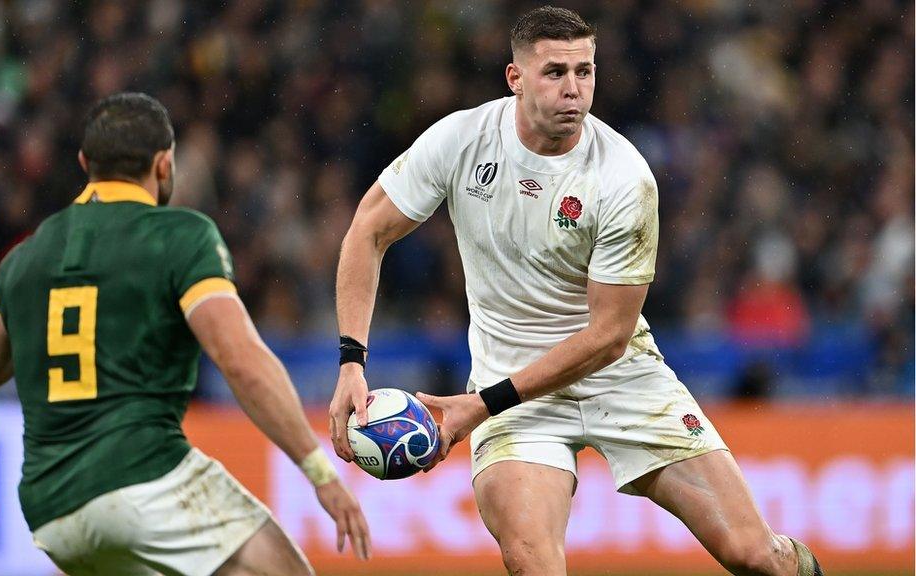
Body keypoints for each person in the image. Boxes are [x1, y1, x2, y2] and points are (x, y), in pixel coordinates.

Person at [329, 7, 821, 576]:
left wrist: (479, 405)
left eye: (584, 72)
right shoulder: (462, 140)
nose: (574, 90)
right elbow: (367, 230)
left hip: (618, 378)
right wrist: (350, 362)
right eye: (555, 72)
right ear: (515, 79)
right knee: (532, 564)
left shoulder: (622, 177)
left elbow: (609, 338)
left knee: (756, 557)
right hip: (511, 386)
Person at [0, 92, 371, 576]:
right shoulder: (180, 236)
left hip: (51, 510)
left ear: (85, 164)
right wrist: (319, 473)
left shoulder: (21, 261)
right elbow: (240, 360)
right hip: (146, 476)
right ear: (165, 165)